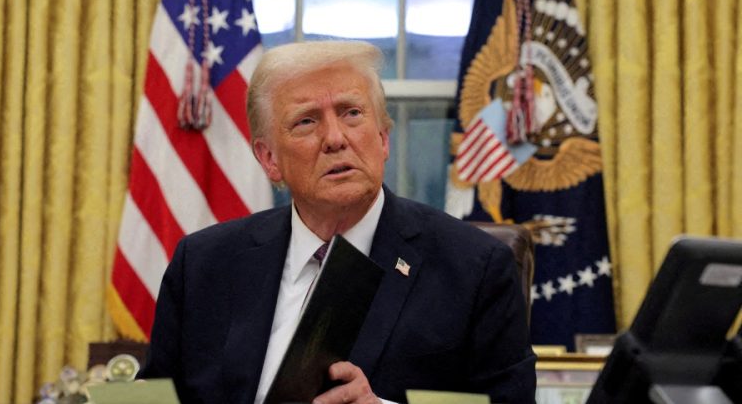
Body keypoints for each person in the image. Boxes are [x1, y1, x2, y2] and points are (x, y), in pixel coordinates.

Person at [138, 41, 536, 403]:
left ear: (383, 139)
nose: (335, 138)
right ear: (268, 158)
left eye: (352, 113)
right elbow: (157, 394)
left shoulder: (474, 267)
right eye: (306, 121)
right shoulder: (204, 264)